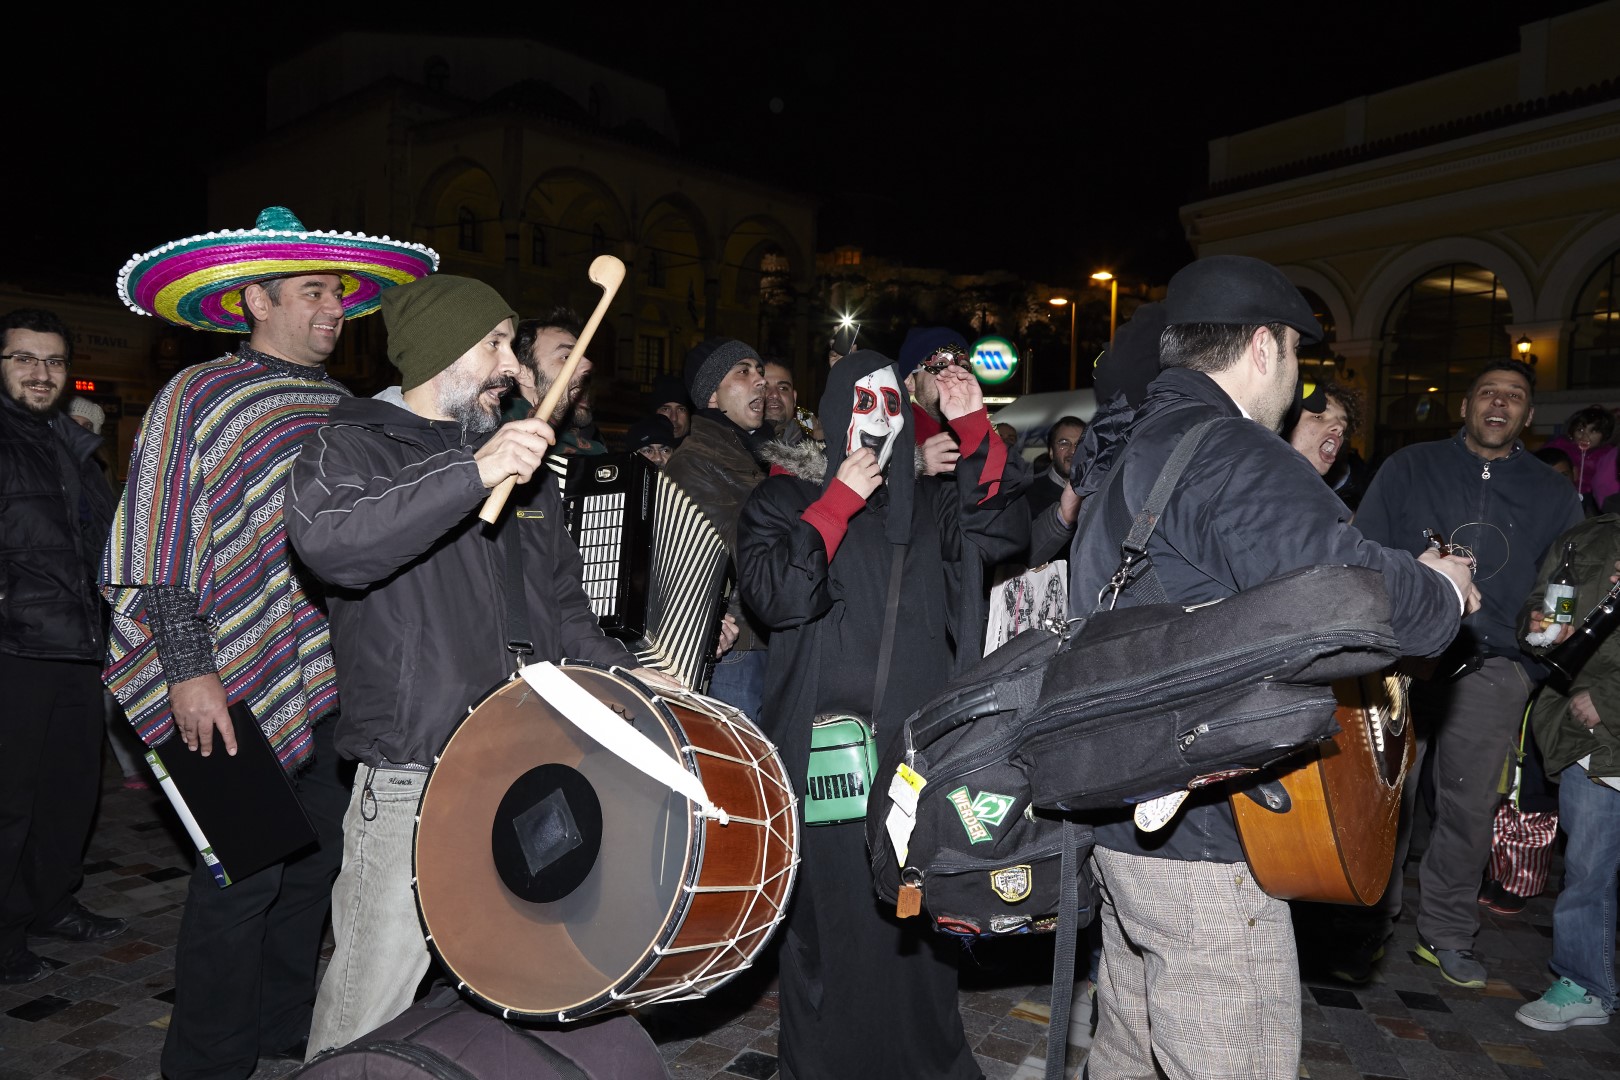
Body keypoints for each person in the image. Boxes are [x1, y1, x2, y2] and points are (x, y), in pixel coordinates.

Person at [1066, 255, 1476, 1080]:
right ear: (1263, 347)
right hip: (1210, 831)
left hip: (1124, 805)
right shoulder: (1231, 452)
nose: (1295, 378)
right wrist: (1439, 592)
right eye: (1296, 353)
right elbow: (1346, 597)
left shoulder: (1136, 443)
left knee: (1129, 1047)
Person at [284, 274, 664, 1054]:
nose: (512, 364)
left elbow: (563, 612)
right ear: (438, 351)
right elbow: (333, 546)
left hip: (524, 762)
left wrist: (630, 680)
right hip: (414, 770)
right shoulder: (352, 441)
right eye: (494, 343)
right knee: (370, 999)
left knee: (518, 975)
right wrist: (472, 473)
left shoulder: (514, 457)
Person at [100, 206, 436, 1079]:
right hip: (221, 675)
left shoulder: (342, 407)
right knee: (240, 880)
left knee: (313, 874)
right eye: (314, 292)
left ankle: (279, 1032)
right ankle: (205, 1062)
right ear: (256, 298)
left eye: (340, 295)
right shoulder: (196, 397)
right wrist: (189, 670)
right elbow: (158, 536)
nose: (336, 309)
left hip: (332, 678)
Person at [737, 348, 1029, 1080]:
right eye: (864, 403)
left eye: (894, 403)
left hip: (916, 765)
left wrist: (972, 430)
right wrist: (833, 502)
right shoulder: (780, 501)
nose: (880, 418)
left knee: (912, 925)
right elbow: (776, 596)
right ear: (836, 415)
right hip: (826, 764)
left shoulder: (930, 507)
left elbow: (1004, 531)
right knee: (830, 930)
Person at [1354, 358, 1583, 988]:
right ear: (1466, 406)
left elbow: (1565, 582)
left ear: (1529, 417)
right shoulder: (1408, 468)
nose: (1499, 404)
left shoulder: (1554, 493)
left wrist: (1546, 634)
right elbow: (1360, 549)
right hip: (1400, 660)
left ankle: (1447, 934)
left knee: (1468, 808)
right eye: (1488, 392)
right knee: (1382, 798)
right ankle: (1366, 926)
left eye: (1514, 396)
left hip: (1492, 668)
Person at [0, 309, 123, 986]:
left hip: (78, 647)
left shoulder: (72, 442)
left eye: (51, 362)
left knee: (70, 792)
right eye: (23, 359)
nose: (39, 374)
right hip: (14, 651)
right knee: (10, 803)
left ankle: (54, 904)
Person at [1516, 515, 1620, 1031]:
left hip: (1603, 713)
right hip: (1593, 742)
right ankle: (1584, 983)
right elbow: (1540, 602)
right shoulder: (1589, 534)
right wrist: (1537, 626)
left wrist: (1610, 700)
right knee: (1588, 870)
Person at [664, 338, 771, 718]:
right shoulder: (694, 463)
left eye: (760, 371)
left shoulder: (751, 456)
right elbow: (737, 554)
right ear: (711, 396)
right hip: (736, 650)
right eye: (743, 371)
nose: (760, 380)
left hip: (761, 643)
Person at [897, 326, 971, 476]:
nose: (955, 374)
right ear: (909, 382)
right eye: (940, 364)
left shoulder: (983, 435)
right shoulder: (892, 432)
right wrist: (915, 466)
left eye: (964, 366)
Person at [1546, 404, 1617, 513]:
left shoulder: (1608, 457)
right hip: (1560, 501)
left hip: (1593, 505)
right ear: (1571, 432)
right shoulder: (1558, 450)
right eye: (1580, 430)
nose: (1585, 436)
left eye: (1593, 431)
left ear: (1604, 435)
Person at [1027, 416, 1085, 519]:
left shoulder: (1101, 489)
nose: (1072, 451)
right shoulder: (1027, 494)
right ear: (1051, 452)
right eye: (1064, 443)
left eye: (1079, 444)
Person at [763, 357, 812, 445]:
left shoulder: (821, 450)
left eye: (783, 388)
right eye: (764, 388)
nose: (774, 394)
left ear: (794, 398)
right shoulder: (733, 446)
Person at [650, 372, 692, 445]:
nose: (674, 418)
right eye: (666, 409)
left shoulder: (708, 452)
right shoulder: (638, 452)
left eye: (681, 409)